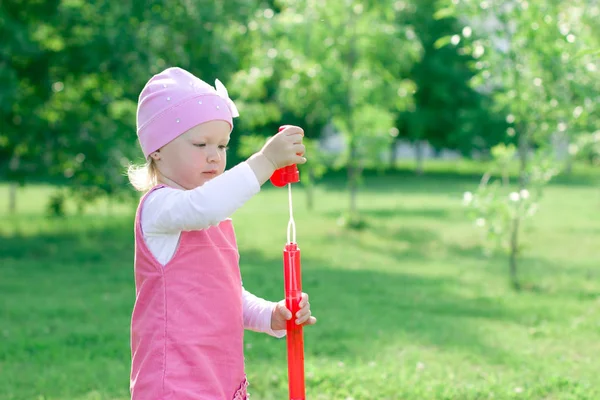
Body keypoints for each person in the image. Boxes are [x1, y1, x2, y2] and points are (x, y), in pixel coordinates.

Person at [127, 66, 317, 400]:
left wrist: (270, 315)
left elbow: (227, 293)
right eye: (200, 143)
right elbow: (205, 207)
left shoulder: (215, 220)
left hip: (217, 377)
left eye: (223, 145)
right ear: (157, 148)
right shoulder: (160, 210)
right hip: (172, 381)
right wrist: (265, 162)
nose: (215, 156)